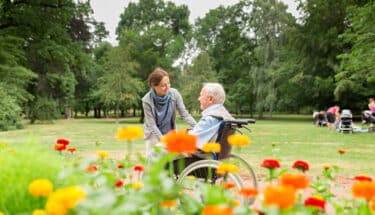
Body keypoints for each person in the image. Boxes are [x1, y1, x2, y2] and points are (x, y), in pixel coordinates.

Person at [142, 67, 196, 157]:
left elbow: (184, 114)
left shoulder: (174, 94)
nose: (167, 87)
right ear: (154, 86)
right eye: (163, 85)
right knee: (154, 161)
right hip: (153, 134)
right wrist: (163, 140)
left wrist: (198, 127)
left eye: (168, 83)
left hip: (170, 132)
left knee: (172, 160)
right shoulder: (146, 100)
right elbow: (152, 125)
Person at [189, 83, 234, 149]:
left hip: (197, 155)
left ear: (210, 99)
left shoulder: (211, 119)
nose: (199, 99)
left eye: (201, 95)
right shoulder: (224, 116)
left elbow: (189, 139)